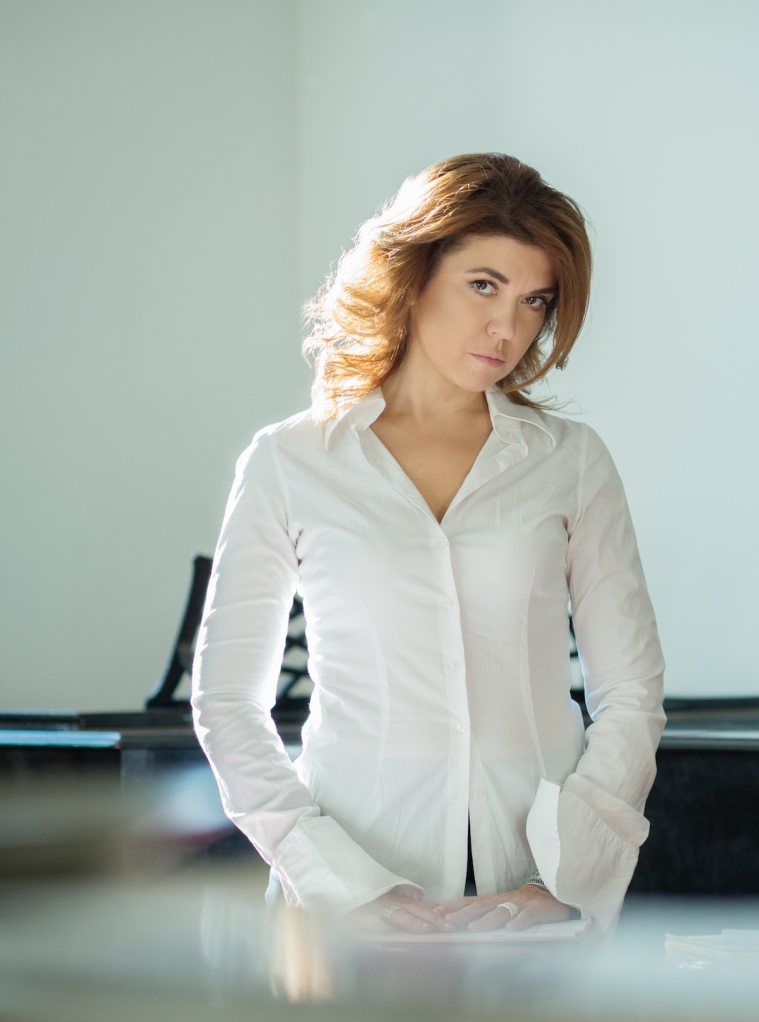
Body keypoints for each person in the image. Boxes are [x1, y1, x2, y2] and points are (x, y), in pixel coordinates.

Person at [191, 153, 665, 936]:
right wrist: (338, 882)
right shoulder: (290, 462)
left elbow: (632, 693)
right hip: (347, 903)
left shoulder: (572, 461)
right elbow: (226, 702)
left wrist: (561, 882)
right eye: (483, 285)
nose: (507, 328)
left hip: (536, 897)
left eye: (534, 301)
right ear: (413, 277)